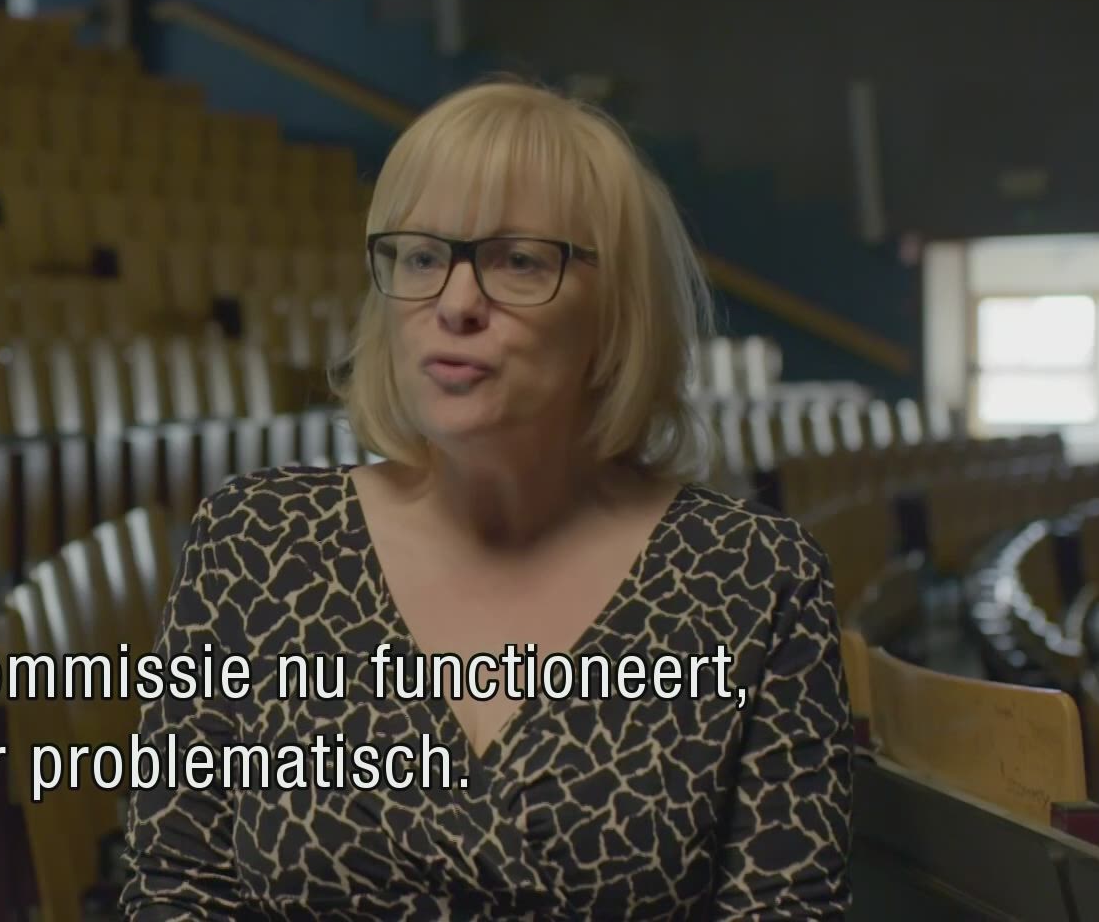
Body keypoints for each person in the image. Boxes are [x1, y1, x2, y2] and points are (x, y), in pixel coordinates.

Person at [120, 78, 853, 918]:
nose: (457, 303)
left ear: (617, 309)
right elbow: (177, 885)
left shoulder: (754, 580)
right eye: (422, 257)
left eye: (519, 261)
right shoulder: (257, 541)